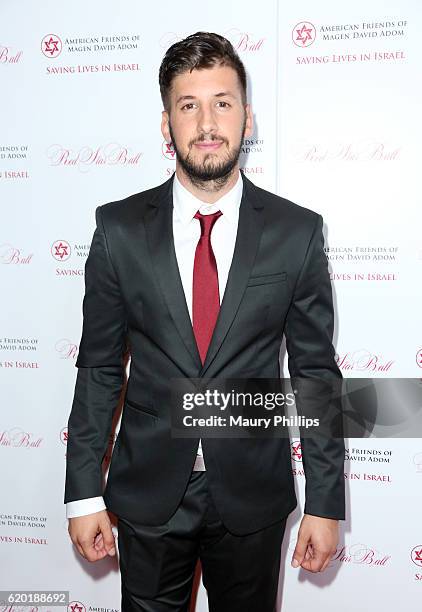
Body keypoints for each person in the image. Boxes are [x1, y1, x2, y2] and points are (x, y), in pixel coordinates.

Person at [65, 31, 345, 612]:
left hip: (252, 494)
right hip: (148, 494)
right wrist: (83, 493)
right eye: (188, 106)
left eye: (224, 102)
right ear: (166, 125)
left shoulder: (297, 232)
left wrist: (325, 501)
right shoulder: (117, 231)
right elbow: (97, 368)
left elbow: (315, 374)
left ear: (248, 118)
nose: (207, 122)